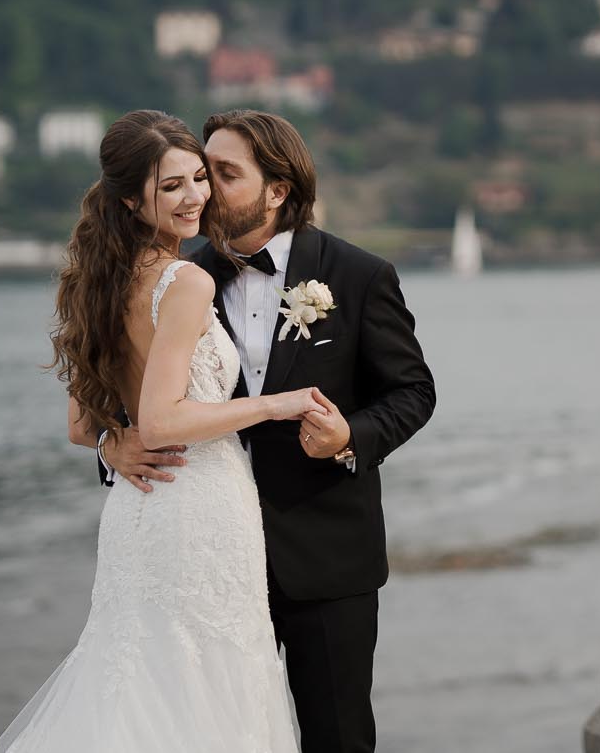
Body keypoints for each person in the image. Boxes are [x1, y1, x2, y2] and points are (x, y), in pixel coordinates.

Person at [101, 109, 436, 753]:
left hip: (324, 554)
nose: (203, 190)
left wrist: (349, 438)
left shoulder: (360, 275)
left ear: (276, 189)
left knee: (336, 739)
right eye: (198, 172)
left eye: (222, 175)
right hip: (207, 552)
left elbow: (413, 392)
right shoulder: (182, 277)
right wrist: (109, 445)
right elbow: (128, 397)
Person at [0, 109, 316, 752]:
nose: (196, 196)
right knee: (208, 691)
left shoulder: (95, 281)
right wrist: (274, 405)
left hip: (138, 510)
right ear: (131, 199)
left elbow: (83, 427)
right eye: (172, 186)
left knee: (141, 683)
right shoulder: (185, 280)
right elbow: (165, 417)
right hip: (198, 508)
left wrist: (117, 442)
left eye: (200, 178)